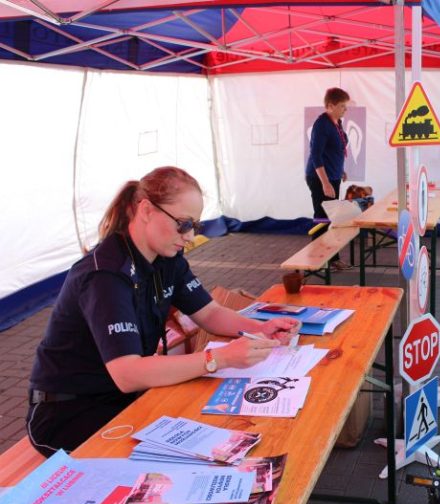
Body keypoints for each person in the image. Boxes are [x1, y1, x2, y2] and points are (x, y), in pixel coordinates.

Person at [26, 166, 300, 457]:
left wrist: (260, 328)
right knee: (187, 456)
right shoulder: (105, 275)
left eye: (195, 226)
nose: (190, 236)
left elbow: (209, 313)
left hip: (122, 397)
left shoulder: (167, 258)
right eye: (183, 224)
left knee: (211, 433)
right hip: (67, 413)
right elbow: (127, 373)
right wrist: (219, 358)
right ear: (146, 210)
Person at [305, 87, 351, 271]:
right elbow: (316, 156)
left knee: (331, 218)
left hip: (332, 175)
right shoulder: (322, 125)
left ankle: (332, 259)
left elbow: (334, 150)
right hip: (320, 178)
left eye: (345, 106)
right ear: (330, 106)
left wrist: (340, 170)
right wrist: (325, 183)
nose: (345, 109)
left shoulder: (336, 122)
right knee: (322, 219)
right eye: (342, 106)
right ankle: (318, 260)